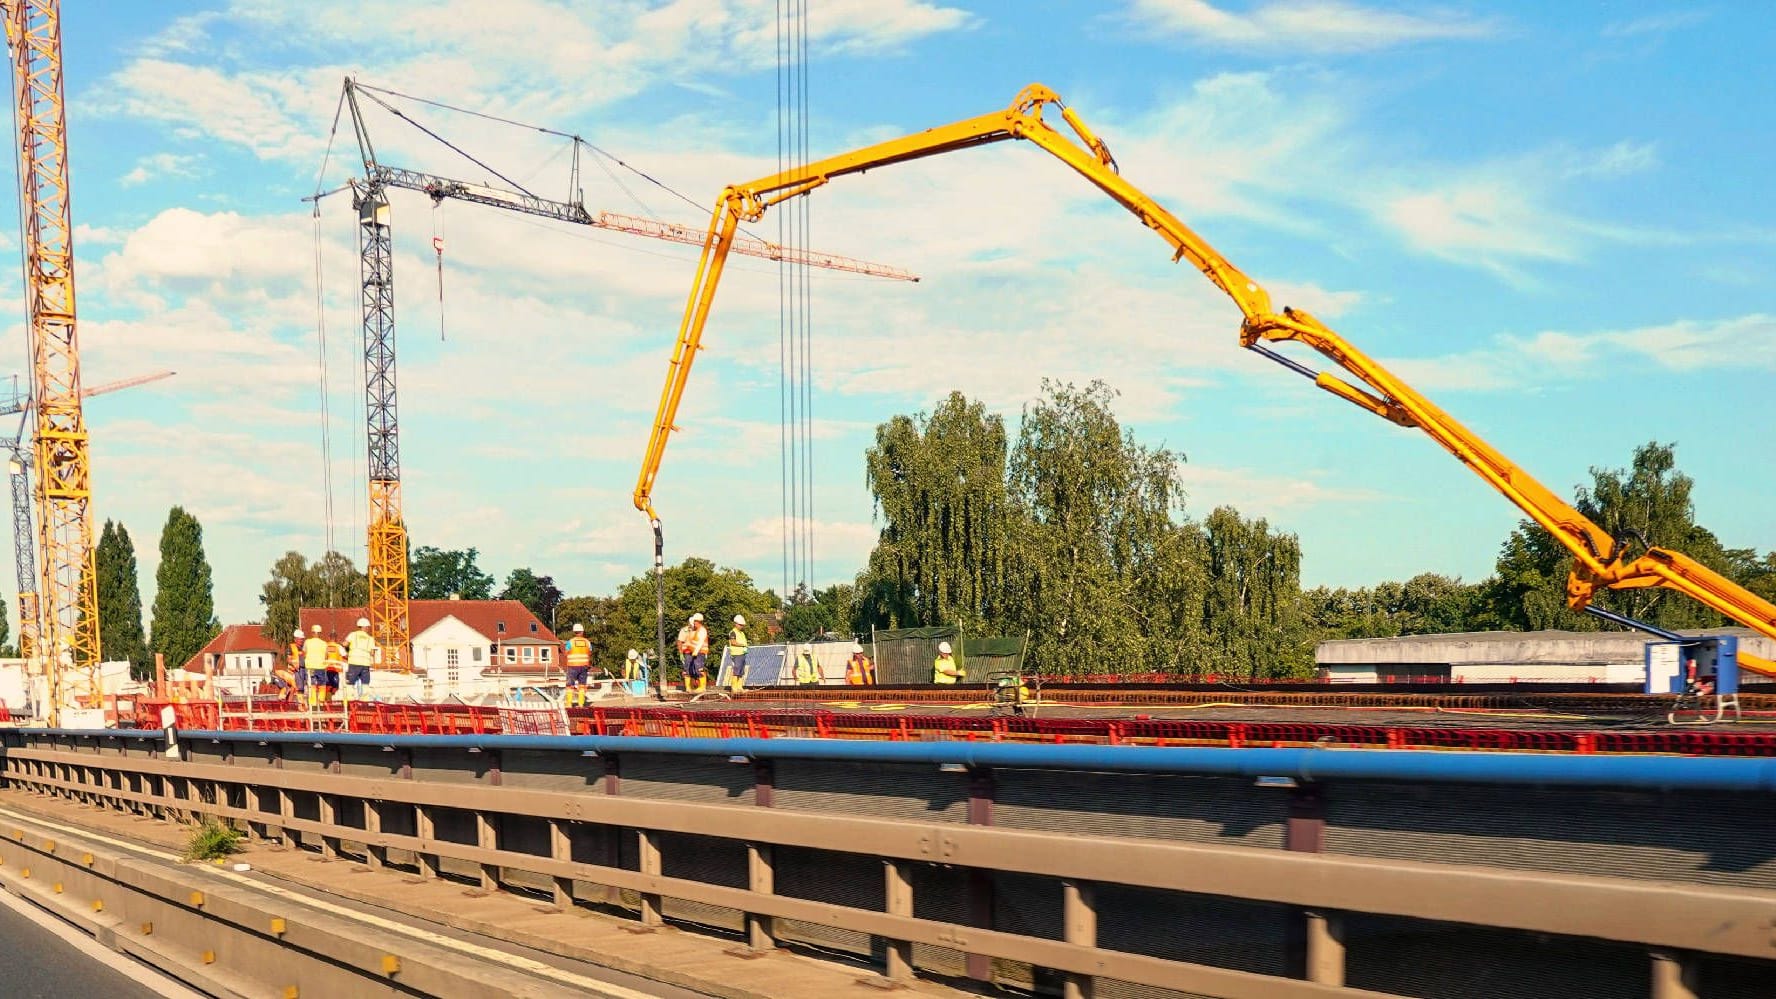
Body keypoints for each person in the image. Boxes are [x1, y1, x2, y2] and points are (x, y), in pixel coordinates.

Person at [344, 617, 379, 703]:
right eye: (367, 627)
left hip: (354, 662)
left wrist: (348, 650)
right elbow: (372, 653)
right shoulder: (370, 638)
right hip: (365, 664)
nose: (368, 629)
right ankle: (365, 702)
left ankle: (350, 702)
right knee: (365, 684)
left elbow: (345, 644)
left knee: (350, 683)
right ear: (365, 627)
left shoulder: (353, 634)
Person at [677, 612, 710, 693]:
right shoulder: (687, 630)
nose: (694, 624)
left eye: (695, 622)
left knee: (698, 669)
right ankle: (689, 688)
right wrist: (681, 652)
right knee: (688, 670)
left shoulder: (701, 630)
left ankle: (701, 687)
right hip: (689, 653)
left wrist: (696, 651)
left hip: (698, 652)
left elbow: (700, 642)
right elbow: (681, 642)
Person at [563, 623, 593, 706]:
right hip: (584, 666)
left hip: (572, 666)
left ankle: (569, 705)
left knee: (569, 686)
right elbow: (590, 652)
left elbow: (566, 653)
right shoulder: (587, 642)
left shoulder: (570, 642)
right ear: (582, 631)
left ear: (574, 632)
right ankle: (581, 705)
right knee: (582, 686)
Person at [302, 624, 330, 709]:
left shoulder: (307, 642)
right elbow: (326, 656)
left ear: (312, 633)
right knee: (322, 686)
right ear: (320, 633)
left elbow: (304, 653)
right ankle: (321, 704)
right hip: (321, 667)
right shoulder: (324, 643)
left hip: (310, 668)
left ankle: (313, 706)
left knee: (312, 686)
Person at [726, 614, 749, 691]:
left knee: (741, 671)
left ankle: (739, 687)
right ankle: (734, 688)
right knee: (736, 670)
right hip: (736, 654)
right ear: (736, 624)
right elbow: (733, 642)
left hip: (742, 654)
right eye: (740, 625)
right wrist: (742, 645)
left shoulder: (741, 633)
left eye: (742, 625)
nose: (742, 626)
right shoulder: (733, 632)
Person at [323, 631, 345, 704]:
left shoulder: (325, 646)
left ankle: (328, 699)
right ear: (336, 638)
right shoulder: (339, 647)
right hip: (335, 669)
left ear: (329, 638)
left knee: (328, 686)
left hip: (327, 668)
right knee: (334, 687)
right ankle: (329, 701)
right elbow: (345, 655)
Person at [286, 628, 308, 700]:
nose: (302, 640)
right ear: (295, 639)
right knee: (299, 687)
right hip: (296, 670)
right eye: (300, 639)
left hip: (305, 668)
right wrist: (293, 663)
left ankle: (292, 703)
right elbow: (288, 659)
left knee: (306, 686)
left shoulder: (304, 648)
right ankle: (300, 705)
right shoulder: (291, 647)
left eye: (302, 639)